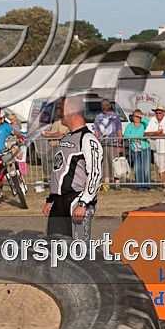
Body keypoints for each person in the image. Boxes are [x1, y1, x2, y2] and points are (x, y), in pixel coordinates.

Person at [42, 95, 102, 241]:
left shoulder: (88, 139)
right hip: (58, 203)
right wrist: (51, 199)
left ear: (72, 110)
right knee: (53, 246)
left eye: (61, 109)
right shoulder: (66, 137)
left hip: (76, 202)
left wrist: (84, 203)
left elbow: (95, 173)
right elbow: (59, 170)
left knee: (78, 249)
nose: (58, 112)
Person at [145, 104, 165, 190]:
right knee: (161, 169)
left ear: (164, 113)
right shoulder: (153, 120)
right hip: (158, 149)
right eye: (157, 113)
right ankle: (164, 186)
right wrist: (156, 133)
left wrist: (153, 134)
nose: (158, 114)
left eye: (160, 113)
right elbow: (146, 133)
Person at [92, 98, 122, 189]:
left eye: (106, 105)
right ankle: (107, 183)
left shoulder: (115, 117)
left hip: (113, 143)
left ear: (109, 106)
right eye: (103, 105)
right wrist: (97, 143)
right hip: (102, 144)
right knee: (104, 164)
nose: (104, 107)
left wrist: (120, 144)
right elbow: (96, 131)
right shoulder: (98, 117)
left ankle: (117, 183)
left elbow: (119, 131)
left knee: (115, 164)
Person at [123, 109, 151, 189]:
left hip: (145, 148)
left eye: (138, 116)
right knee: (137, 167)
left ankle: (147, 185)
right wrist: (136, 138)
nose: (137, 118)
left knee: (146, 168)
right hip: (134, 150)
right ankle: (139, 185)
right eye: (135, 116)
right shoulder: (130, 126)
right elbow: (125, 135)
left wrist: (141, 116)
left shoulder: (143, 125)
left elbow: (149, 122)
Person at [40, 104, 69, 183]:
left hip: (59, 145)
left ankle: (50, 178)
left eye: (59, 109)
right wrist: (47, 133)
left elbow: (60, 134)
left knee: (47, 159)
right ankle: (50, 178)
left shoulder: (63, 121)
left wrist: (48, 135)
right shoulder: (57, 121)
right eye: (56, 108)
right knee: (49, 160)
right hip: (54, 145)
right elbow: (55, 132)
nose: (57, 110)